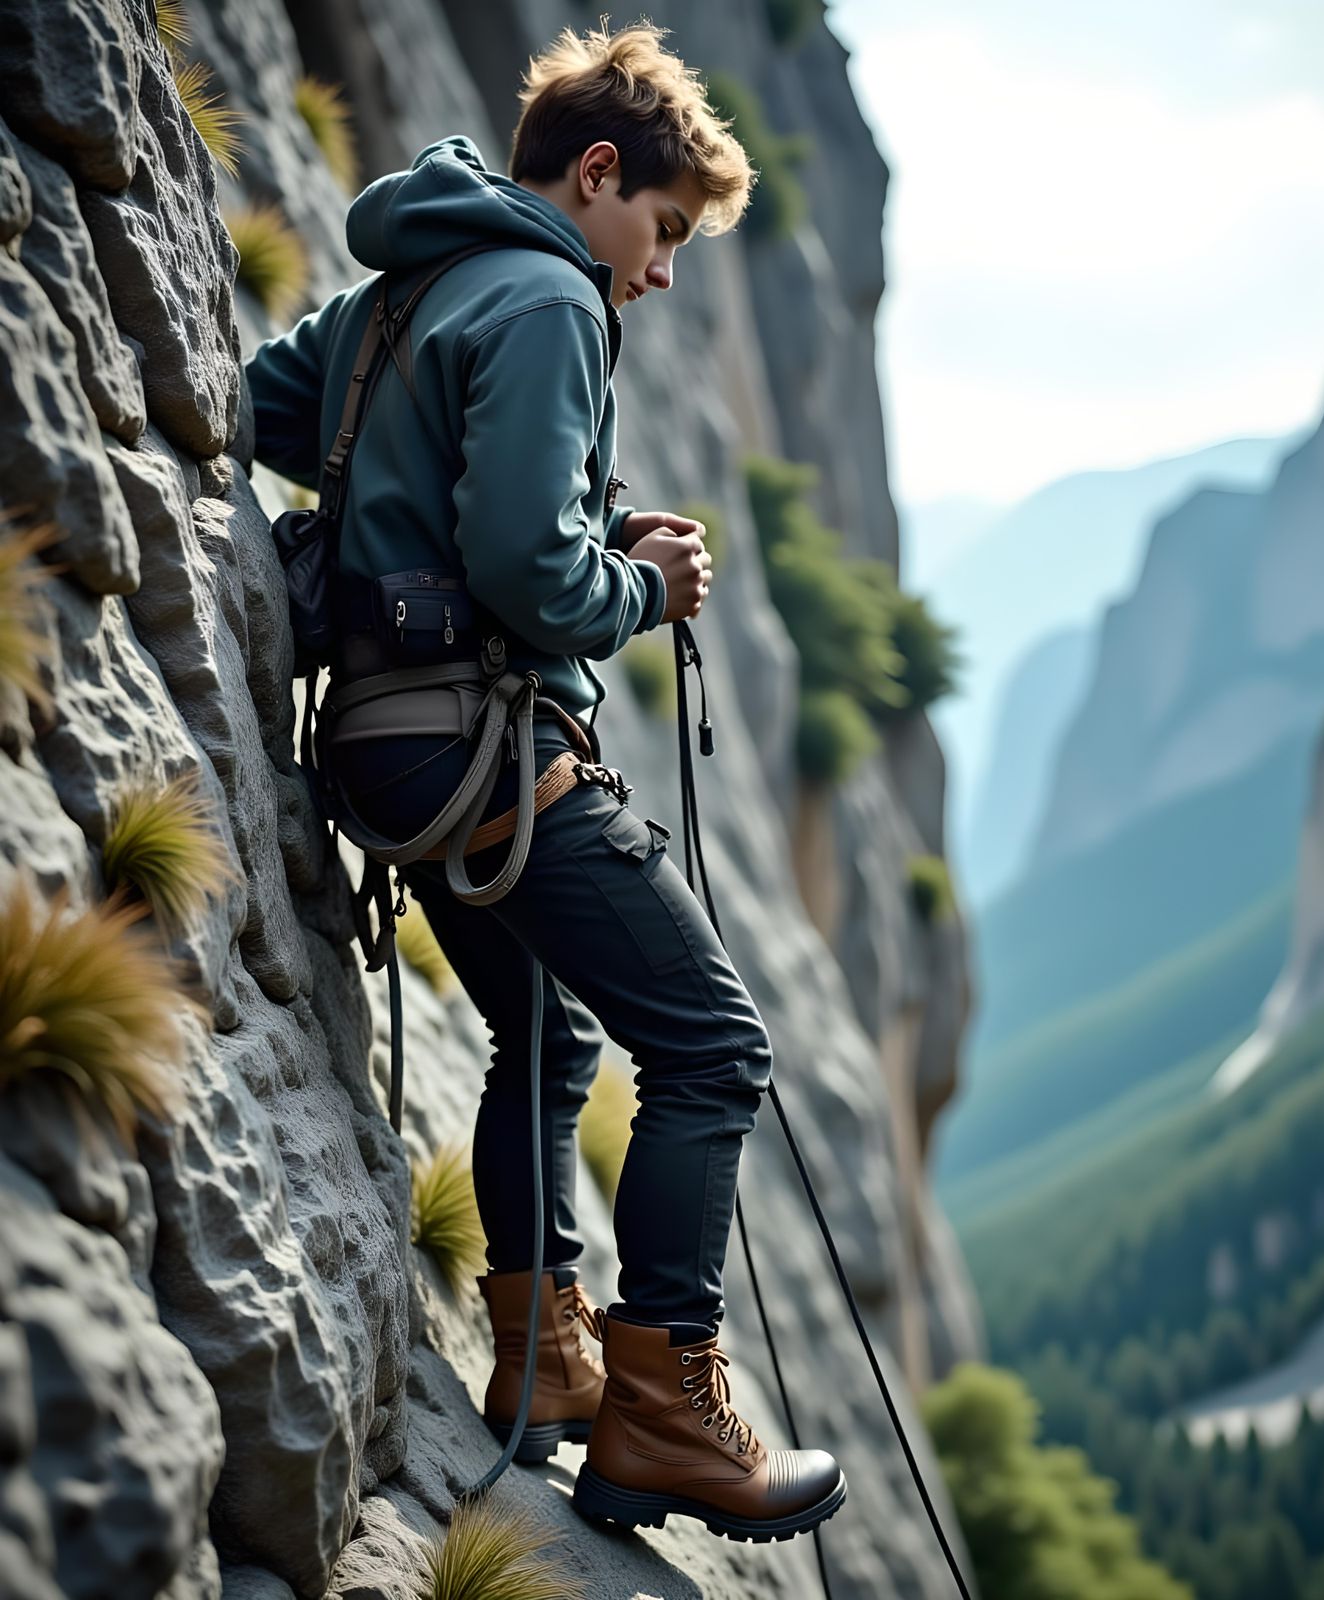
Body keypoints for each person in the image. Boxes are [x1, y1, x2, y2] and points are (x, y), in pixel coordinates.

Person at [244, 20, 844, 1542]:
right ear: (596, 176)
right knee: (713, 1045)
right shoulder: (551, 300)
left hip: (379, 744)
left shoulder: (412, 281)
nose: (656, 272)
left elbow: (264, 405)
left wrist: (440, 532)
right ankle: (666, 1410)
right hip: (480, 746)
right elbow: (525, 565)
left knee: (543, 1027)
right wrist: (639, 589)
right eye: (658, 232)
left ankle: (546, 1348)